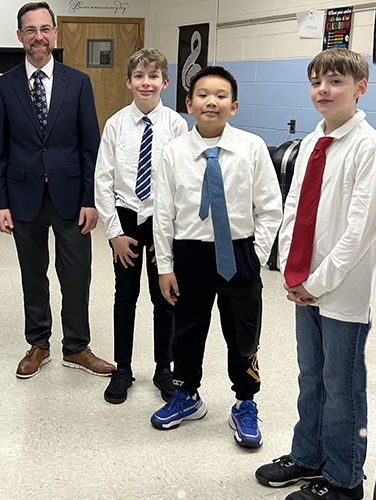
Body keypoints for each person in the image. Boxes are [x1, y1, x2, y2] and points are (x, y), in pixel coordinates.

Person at [255, 48, 376, 500]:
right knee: (311, 375)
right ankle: (309, 454)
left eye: (336, 82)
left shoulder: (368, 146)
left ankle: (346, 478)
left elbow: (360, 230)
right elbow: (293, 210)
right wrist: (291, 271)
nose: (324, 90)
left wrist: (317, 282)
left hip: (341, 289)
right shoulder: (310, 142)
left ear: (360, 88)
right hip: (304, 283)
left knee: (342, 385)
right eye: (317, 82)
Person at [150, 66, 282, 448]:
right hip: (190, 253)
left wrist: (254, 256)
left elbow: (270, 208)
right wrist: (165, 266)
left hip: (238, 251)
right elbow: (163, 213)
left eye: (221, 95)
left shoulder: (252, 148)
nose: (212, 101)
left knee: (243, 333)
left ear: (234, 106)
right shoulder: (173, 153)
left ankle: (245, 401)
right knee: (187, 329)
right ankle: (186, 394)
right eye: (203, 95)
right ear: (189, 104)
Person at [0, 1, 113, 379]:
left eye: (45, 29)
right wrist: (0, 202)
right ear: (19, 36)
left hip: (71, 196)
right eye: (30, 30)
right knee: (33, 272)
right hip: (23, 194)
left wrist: (91, 200)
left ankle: (76, 347)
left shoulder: (78, 82)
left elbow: (90, 146)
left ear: (55, 33)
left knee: (76, 273)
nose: (38, 37)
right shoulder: (4, 84)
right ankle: (38, 343)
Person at [95, 48, 187, 405]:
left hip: (163, 220)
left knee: (165, 298)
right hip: (126, 219)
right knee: (125, 297)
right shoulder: (116, 124)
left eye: (153, 77)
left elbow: (183, 181)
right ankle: (123, 368)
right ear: (129, 82)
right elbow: (103, 181)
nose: (145, 83)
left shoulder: (177, 125)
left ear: (164, 82)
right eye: (139, 76)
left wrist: (171, 233)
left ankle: (164, 368)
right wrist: (115, 234)